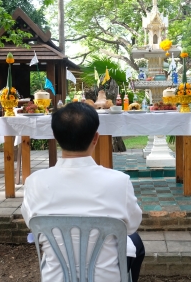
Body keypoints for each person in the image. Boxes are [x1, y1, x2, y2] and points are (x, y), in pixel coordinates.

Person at [21, 102, 144, 282]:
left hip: (55, 277)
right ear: (96, 138)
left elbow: (32, 224)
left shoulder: (34, 182)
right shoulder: (119, 181)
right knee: (136, 242)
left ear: (55, 137)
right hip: (105, 278)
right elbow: (132, 225)